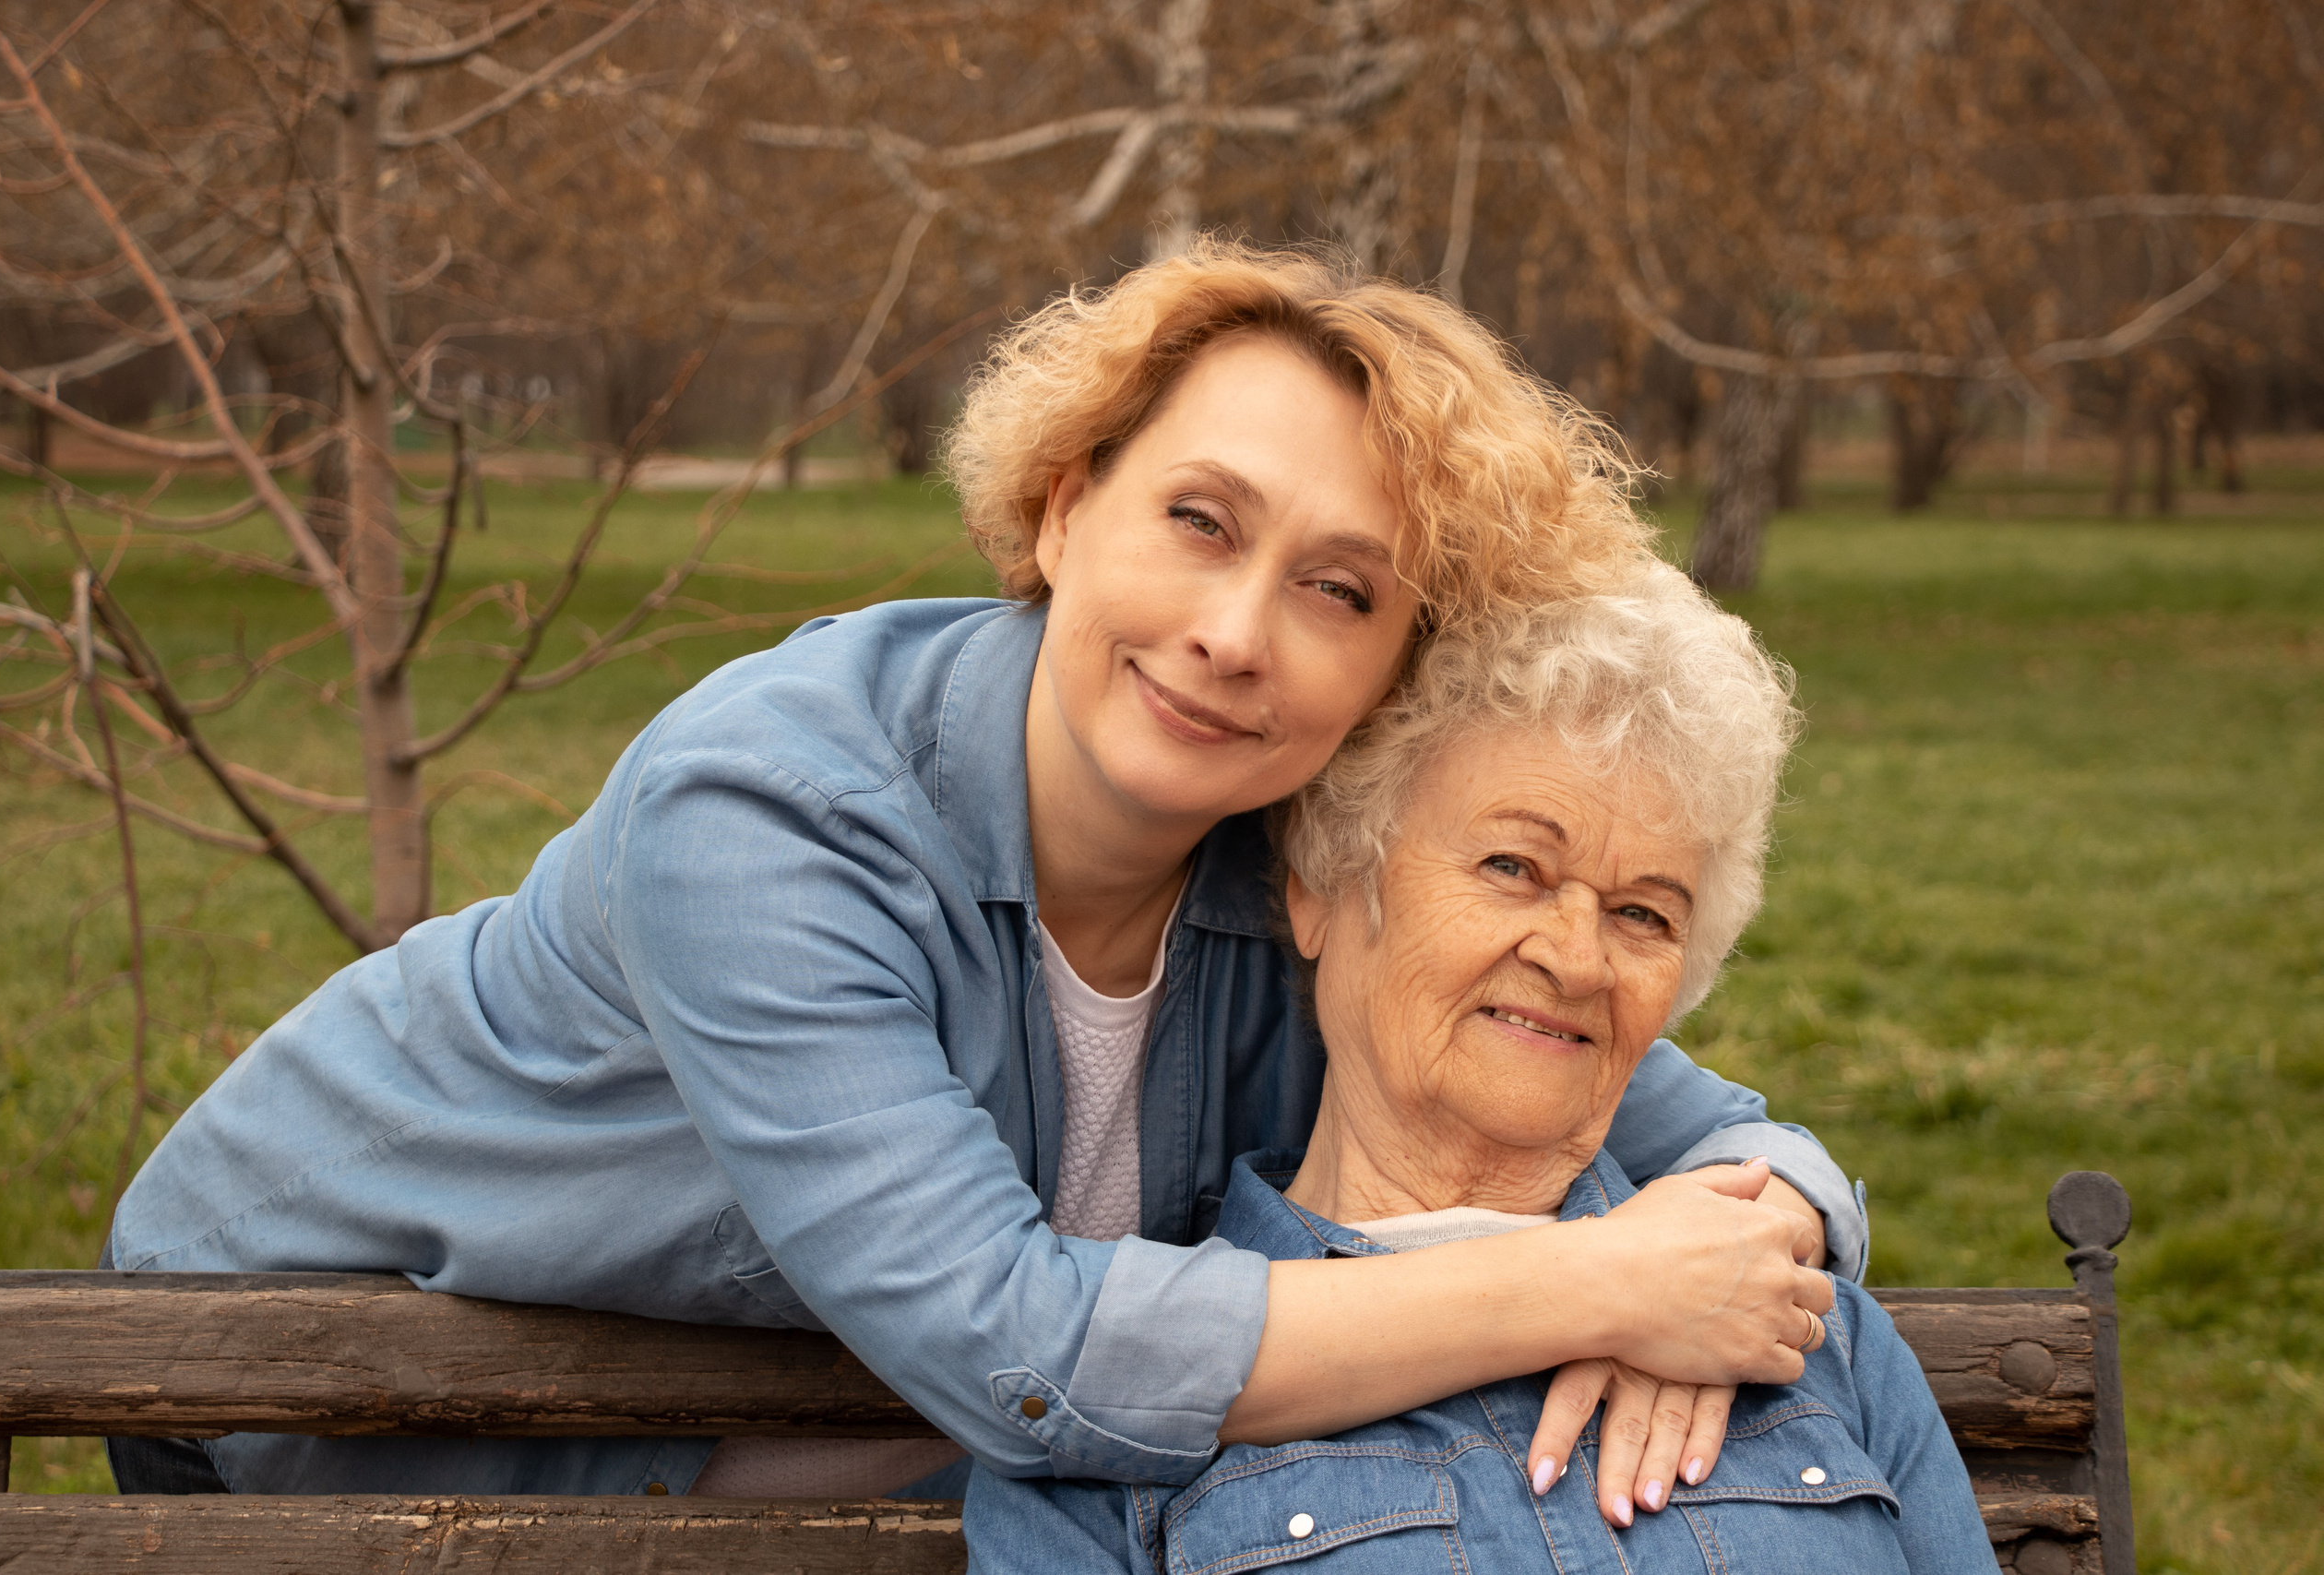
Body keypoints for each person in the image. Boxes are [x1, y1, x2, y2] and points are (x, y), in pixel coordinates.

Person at [106, 242, 1861, 1504]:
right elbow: (1025, 1350)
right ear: (1063, 504)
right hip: (327, 1380)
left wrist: (1763, 1223)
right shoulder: (767, 808)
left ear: (1395, 665)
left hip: (797, 1445)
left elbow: (1711, 1130)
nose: (1234, 634)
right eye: (1199, 520)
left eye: (1339, 589)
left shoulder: (1308, 854)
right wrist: (1602, 1285)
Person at [965, 566, 1992, 1572]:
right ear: (1322, 887)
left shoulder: (1808, 1338)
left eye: (1643, 913)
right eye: (1512, 867)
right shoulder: (1121, 1433)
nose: (1578, 960)